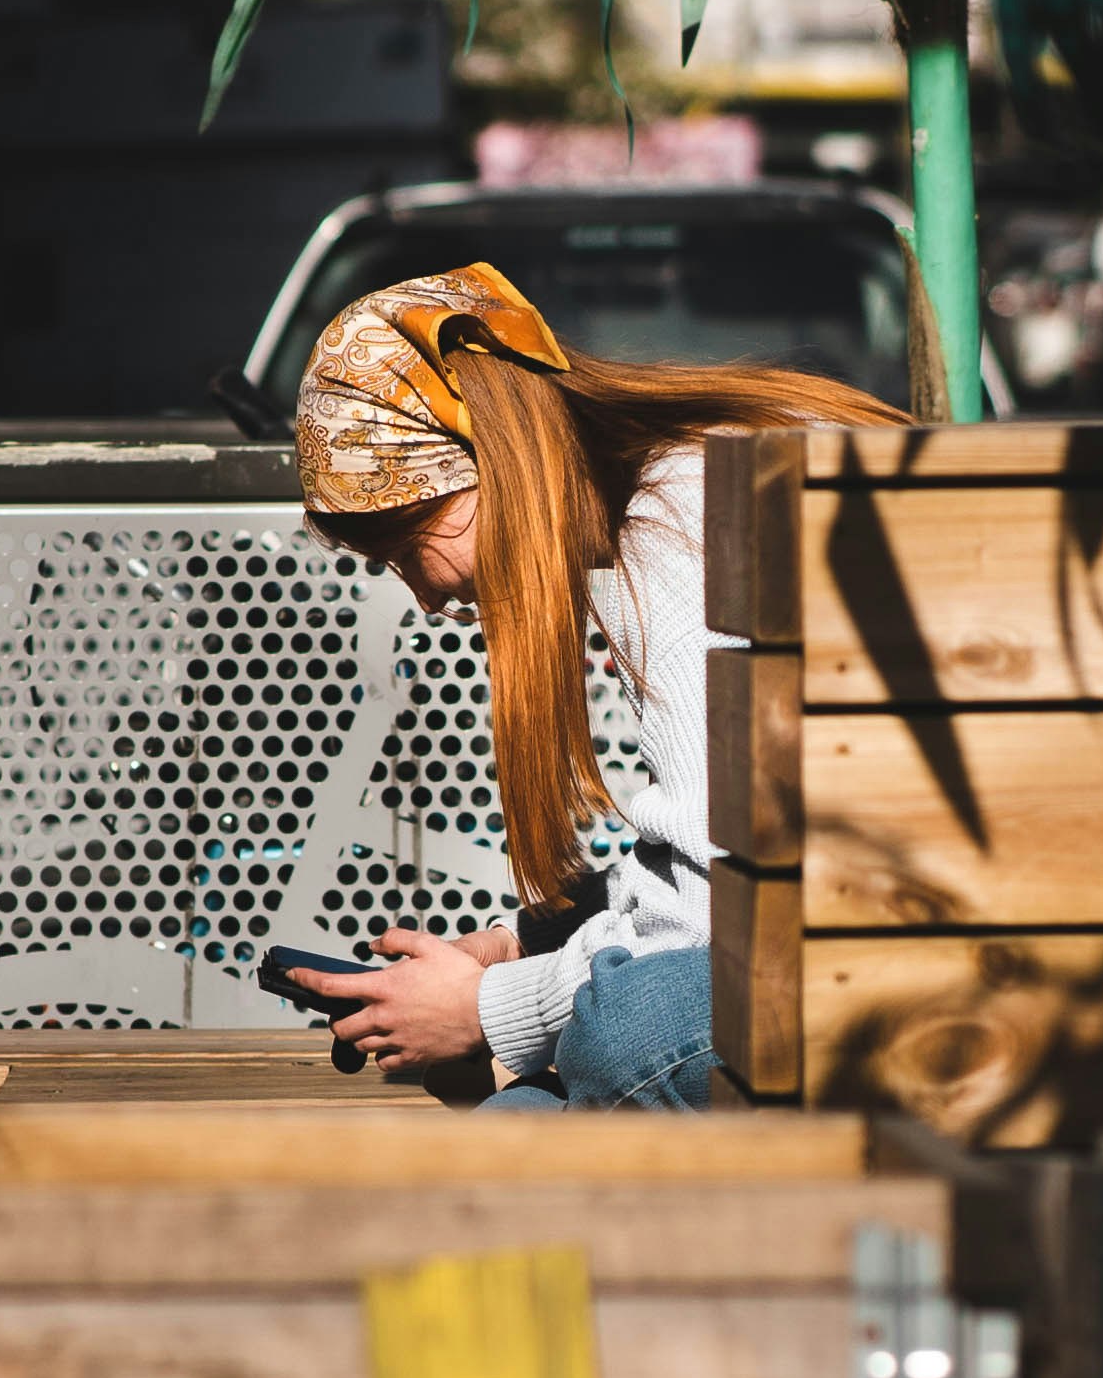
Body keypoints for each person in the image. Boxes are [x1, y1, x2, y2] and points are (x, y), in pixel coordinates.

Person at [287, 259, 872, 1112]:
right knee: (525, 1108)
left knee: (624, 1027)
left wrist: (491, 1010)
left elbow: (717, 928)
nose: (426, 596)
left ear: (488, 462)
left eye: (408, 544)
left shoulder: (680, 531)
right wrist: (522, 944)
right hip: (883, 919)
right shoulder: (698, 471)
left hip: (891, 964)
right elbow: (722, 853)